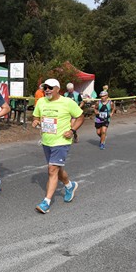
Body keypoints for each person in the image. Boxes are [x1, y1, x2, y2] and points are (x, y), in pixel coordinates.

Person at [32, 78, 84, 214]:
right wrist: (36, 121)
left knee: (52, 170)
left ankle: (46, 202)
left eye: (50, 87)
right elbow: (36, 117)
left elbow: (80, 117)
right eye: (45, 88)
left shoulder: (68, 102)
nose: (47, 90)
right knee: (57, 168)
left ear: (57, 89)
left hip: (61, 141)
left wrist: (72, 131)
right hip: (46, 141)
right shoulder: (41, 102)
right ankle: (69, 186)